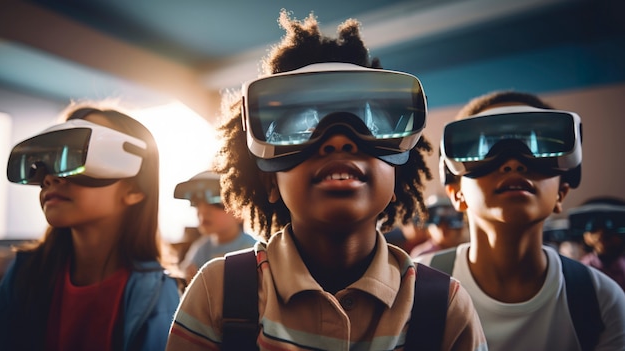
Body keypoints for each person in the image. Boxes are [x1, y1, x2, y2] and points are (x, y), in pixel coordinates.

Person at [166, 10, 486, 351]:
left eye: (369, 125)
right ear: (270, 182)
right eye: (303, 128)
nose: (338, 141)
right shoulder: (218, 292)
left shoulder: (443, 305)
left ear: (396, 173)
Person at [417, 90, 625, 350]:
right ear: (457, 193)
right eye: (485, 147)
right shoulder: (411, 287)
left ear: (562, 192)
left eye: (537, 145)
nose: (513, 163)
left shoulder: (600, 299)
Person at [0, 104, 181, 351]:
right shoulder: (24, 273)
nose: (50, 178)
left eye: (78, 156)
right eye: (52, 161)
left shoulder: (155, 297)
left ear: (135, 188)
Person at [174, 170, 257, 280]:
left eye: (216, 201)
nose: (203, 210)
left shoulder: (252, 250)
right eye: (196, 201)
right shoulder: (200, 249)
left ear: (240, 212)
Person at [569, 197, 625, 291]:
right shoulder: (582, 270)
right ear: (585, 237)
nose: (601, 235)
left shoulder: (622, 268)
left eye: (609, 231)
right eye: (594, 229)